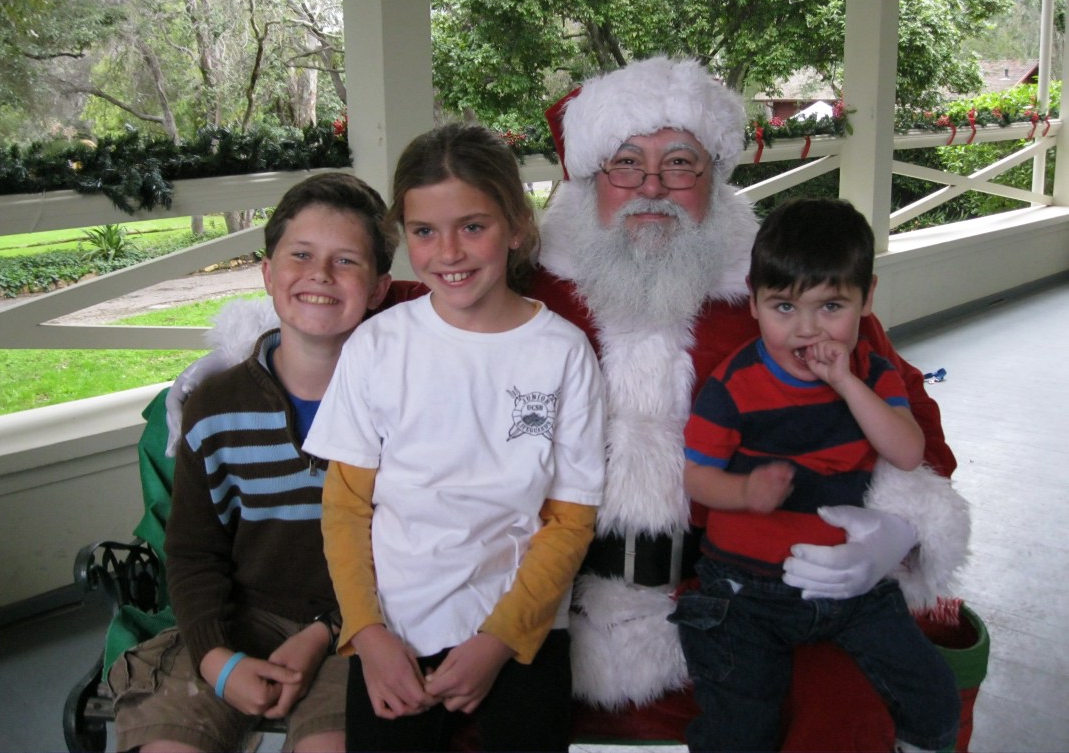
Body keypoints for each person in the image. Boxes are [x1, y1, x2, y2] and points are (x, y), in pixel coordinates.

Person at [165, 56, 971, 750]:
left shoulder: (781, 298)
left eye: (679, 164)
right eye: (625, 163)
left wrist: (899, 528)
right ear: (589, 178)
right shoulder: (528, 280)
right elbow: (389, 303)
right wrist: (260, 341)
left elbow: (913, 433)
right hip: (539, 605)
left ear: (714, 176)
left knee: (843, 717)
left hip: (731, 601)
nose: (650, 187)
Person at [303, 123, 606, 752]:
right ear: (404, 234)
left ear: (517, 226)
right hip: (396, 627)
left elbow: (571, 520)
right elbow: (345, 507)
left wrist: (500, 641)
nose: (448, 252)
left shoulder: (563, 354)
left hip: (520, 625)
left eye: (474, 226)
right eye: (423, 232)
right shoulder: (378, 347)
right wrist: (368, 634)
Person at [109, 172, 400, 753]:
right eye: (301, 255)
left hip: (364, 626)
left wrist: (326, 632)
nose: (320, 274)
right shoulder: (216, 407)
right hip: (239, 619)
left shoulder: (402, 403)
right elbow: (192, 552)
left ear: (378, 288)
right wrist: (218, 661)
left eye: (346, 260)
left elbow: (416, 548)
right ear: (268, 274)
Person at [673, 197, 962, 752]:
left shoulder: (873, 375)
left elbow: (906, 452)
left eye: (831, 307)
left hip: (857, 592)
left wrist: (846, 384)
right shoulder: (732, 385)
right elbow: (697, 478)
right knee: (740, 727)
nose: (806, 330)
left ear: (867, 299)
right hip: (744, 592)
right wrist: (744, 491)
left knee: (934, 698)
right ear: (753, 304)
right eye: (783, 307)